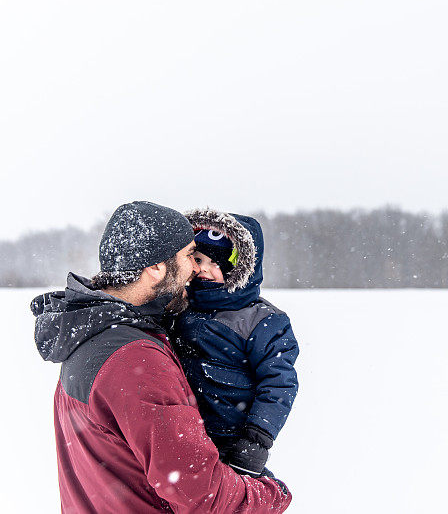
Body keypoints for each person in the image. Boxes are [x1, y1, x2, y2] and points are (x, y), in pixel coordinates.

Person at [31, 201, 291, 513]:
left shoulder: (88, 332)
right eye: (188, 256)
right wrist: (272, 494)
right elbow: (205, 499)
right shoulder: (136, 361)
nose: (196, 268)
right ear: (156, 268)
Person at [172, 209, 299, 479]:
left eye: (215, 262)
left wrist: (257, 439)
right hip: (182, 432)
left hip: (230, 438)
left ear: (238, 268)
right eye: (197, 259)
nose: (203, 268)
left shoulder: (263, 321)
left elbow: (278, 383)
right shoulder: (181, 307)